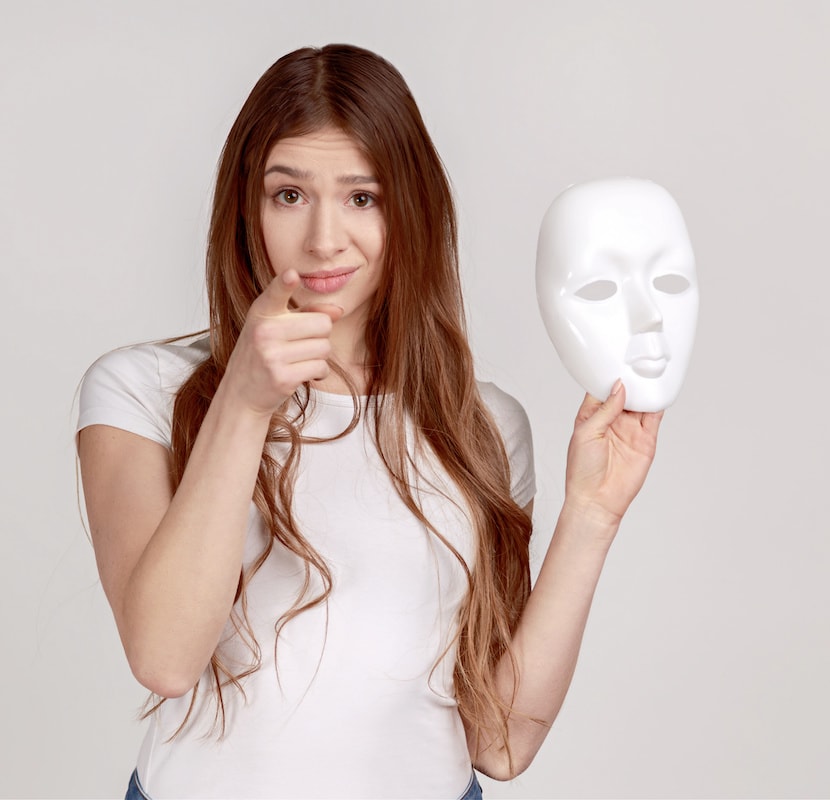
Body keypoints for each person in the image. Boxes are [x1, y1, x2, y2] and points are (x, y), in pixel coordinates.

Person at [75, 44, 662, 800]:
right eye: (289, 195)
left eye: (363, 198)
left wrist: (592, 515)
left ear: (409, 210)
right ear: (246, 207)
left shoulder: (481, 426)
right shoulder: (141, 392)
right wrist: (246, 402)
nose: (325, 239)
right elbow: (163, 656)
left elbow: (502, 743)